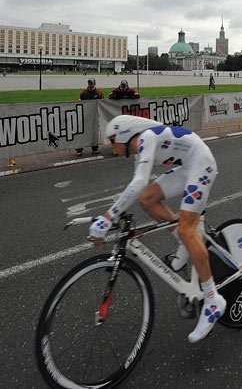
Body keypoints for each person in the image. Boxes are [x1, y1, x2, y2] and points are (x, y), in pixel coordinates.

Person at [88, 115, 225, 343]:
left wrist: (107, 218)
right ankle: (184, 241)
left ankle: (212, 300)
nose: (111, 146)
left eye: (113, 140)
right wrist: (112, 215)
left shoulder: (147, 138)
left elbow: (139, 181)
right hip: (186, 167)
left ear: (124, 134)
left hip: (201, 164)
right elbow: (138, 188)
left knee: (188, 229)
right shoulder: (141, 147)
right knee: (147, 200)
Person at [76, 78, 104, 156]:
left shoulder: (99, 93)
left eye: (91, 83)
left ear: (94, 84)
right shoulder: (84, 93)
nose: (90, 84)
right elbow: (79, 101)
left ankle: (95, 148)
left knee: (94, 133)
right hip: (85, 115)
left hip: (95, 116)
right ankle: (79, 149)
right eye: (89, 83)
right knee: (83, 132)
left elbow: (102, 103)